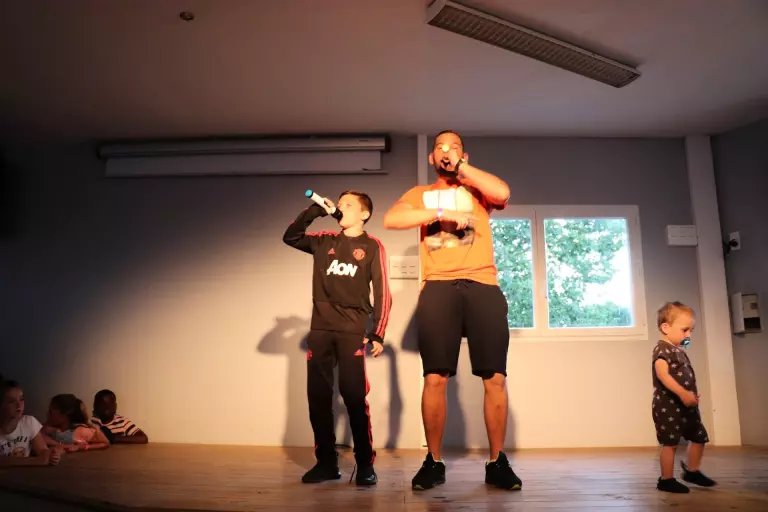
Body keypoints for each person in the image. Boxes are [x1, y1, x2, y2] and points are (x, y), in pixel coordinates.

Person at [383, 130, 521, 491]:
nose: (446, 151)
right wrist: (441, 212)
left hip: (483, 284)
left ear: (464, 155)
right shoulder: (420, 194)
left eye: (454, 147)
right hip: (438, 286)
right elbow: (392, 219)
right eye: (440, 148)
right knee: (435, 377)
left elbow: (503, 192)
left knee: (495, 377)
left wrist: (462, 169)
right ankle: (434, 461)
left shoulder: (477, 191)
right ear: (431, 158)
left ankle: (497, 462)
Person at [282, 190, 392, 486]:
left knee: (354, 397)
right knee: (318, 398)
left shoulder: (372, 246)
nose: (341, 208)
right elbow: (290, 237)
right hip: (320, 330)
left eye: (348, 205)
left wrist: (378, 332)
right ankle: (327, 464)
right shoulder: (324, 241)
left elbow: (383, 291)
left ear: (364, 214)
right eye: (339, 204)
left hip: (352, 331)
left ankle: (365, 465)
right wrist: (315, 211)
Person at [652, 301, 717, 493]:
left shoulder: (678, 350)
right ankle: (666, 479)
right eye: (685, 330)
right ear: (666, 327)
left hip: (687, 405)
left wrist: (691, 394)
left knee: (699, 437)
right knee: (670, 443)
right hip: (668, 406)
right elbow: (663, 375)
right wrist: (682, 393)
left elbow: (683, 374)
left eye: (691, 330)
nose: (689, 335)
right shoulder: (662, 349)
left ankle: (692, 471)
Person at [1, 377, 62, 466]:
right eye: (11, 401)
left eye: (21, 399)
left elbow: (43, 450)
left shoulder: (29, 422)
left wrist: (52, 456)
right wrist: (36, 461)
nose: (19, 405)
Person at [42, 394, 110, 452]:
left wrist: (82, 447)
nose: (47, 414)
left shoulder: (81, 431)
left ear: (65, 414)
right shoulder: (48, 429)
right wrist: (64, 446)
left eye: (51, 412)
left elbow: (105, 443)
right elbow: (40, 438)